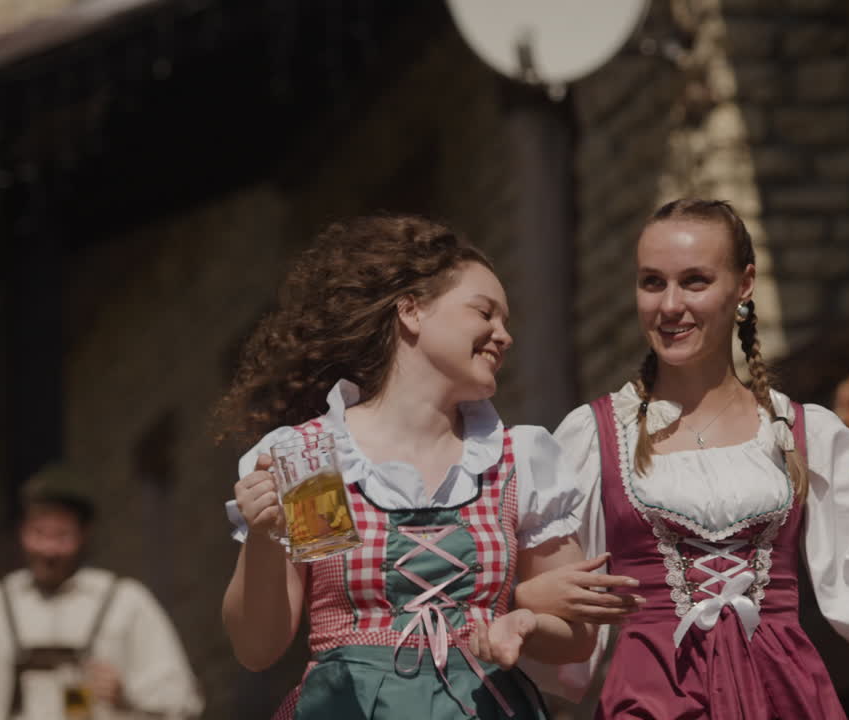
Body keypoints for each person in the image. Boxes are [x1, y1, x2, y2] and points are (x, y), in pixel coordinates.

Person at [519, 199, 849, 718]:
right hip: (653, 699)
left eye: (694, 281)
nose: (669, 305)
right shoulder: (592, 434)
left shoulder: (806, 431)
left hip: (783, 697)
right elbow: (553, 614)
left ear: (745, 284)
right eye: (652, 282)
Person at [215, 215, 612, 719]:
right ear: (412, 311)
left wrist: (523, 621)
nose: (503, 335)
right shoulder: (317, 461)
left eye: (506, 321)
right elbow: (258, 648)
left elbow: (578, 637)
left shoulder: (516, 460)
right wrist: (264, 537)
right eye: (484, 313)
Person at [0, 464, 204, 719]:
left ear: (84, 535)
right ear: (22, 532)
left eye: (62, 536)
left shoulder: (126, 602)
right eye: (39, 533)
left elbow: (183, 702)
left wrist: (126, 695)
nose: (48, 550)